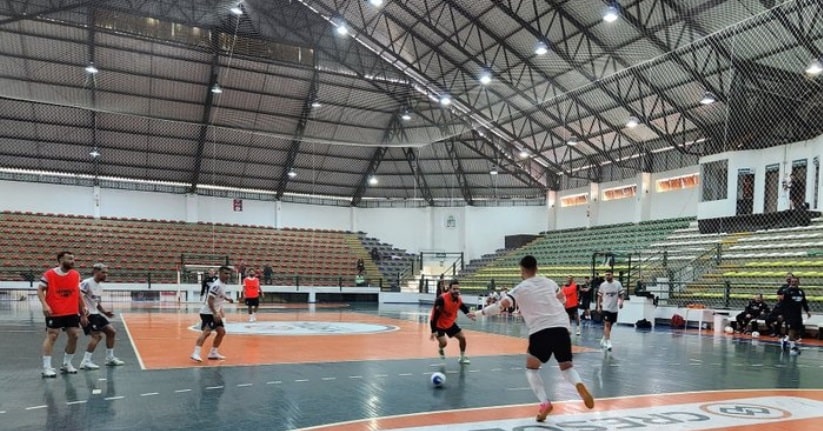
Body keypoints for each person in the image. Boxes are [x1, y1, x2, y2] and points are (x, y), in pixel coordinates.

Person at [474, 255, 594, 422]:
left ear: (522, 271)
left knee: (532, 368)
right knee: (566, 366)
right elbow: (562, 299)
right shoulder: (549, 282)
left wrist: (479, 313)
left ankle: (545, 402)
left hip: (540, 331)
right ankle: (579, 384)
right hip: (562, 327)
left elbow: (500, 306)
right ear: (537, 268)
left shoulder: (519, 289)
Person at [37, 251, 89, 377]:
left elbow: (77, 292)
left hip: (71, 311)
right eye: (70, 259)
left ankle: (66, 364)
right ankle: (47, 367)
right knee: (52, 336)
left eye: (73, 259)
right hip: (54, 311)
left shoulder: (76, 274)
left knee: (75, 335)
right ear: (61, 260)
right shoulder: (49, 274)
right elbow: (39, 290)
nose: (73, 261)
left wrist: (83, 308)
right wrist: (45, 305)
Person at [79, 264, 125, 369]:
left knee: (111, 332)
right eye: (103, 272)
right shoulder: (86, 283)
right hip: (88, 314)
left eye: (107, 273)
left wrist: (105, 312)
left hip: (96, 313)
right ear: (95, 271)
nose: (106, 275)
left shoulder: (99, 287)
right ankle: (85, 361)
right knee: (97, 336)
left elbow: (97, 303)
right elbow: (79, 299)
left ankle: (109, 358)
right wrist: (83, 315)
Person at [191, 266, 235, 362]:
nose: (227, 275)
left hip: (214, 312)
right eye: (225, 273)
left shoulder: (223, 284)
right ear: (219, 273)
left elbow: (220, 294)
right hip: (208, 312)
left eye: (228, 274)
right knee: (207, 332)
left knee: (221, 332)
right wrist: (215, 313)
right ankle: (195, 353)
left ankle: (213, 353)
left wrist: (228, 299)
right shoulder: (217, 285)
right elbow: (210, 300)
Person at [429, 280, 475, 364]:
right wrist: (433, 330)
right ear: (450, 289)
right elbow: (434, 316)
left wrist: (467, 313)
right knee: (444, 343)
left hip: (450, 323)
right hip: (439, 324)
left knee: (462, 338)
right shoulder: (441, 299)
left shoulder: (458, 299)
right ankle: (441, 348)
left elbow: (462, 306)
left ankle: (462, 357)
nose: (456, 291)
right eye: (454, 289)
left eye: (457, 289)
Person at [781, 276, 811, 355]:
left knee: (796, 331)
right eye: (792, 281)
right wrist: (782, 314)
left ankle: (785, 340)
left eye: (795, 281)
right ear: (790, 282)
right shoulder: (787, 291)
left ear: (798, 282)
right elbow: (782, 304)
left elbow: (804, 302)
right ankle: (792, 348)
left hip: (798, 314)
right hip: (790, 314)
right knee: (792, 330)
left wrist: (807, 311)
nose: (794, 282)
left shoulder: (801, 291)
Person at [596, 270, 625, 351]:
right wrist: (598, 306)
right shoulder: (603, 285)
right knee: (607, 324)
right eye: (606, 275)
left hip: (614, 308)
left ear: (612, 275)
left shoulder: (617, 284)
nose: (607, 276)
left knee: (610, 325)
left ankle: (604, 338)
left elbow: (621, 294)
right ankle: (608, 342)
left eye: (609, 275)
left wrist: (621, 302)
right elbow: (599, 296)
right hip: (605, 307)